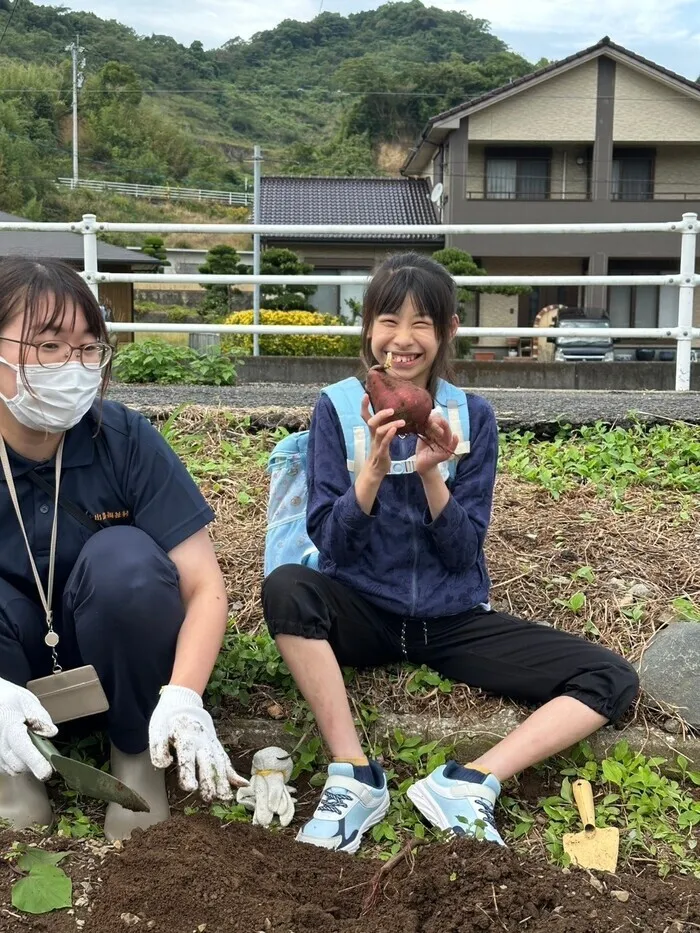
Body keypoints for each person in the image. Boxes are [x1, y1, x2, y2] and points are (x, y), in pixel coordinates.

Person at [262, 252, 639, 854]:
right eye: (389, 321)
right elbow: (331, 547)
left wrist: (435, 474)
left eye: (422, 324)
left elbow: (465, 555)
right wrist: (373, 476)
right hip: (362, 611)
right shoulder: (336, 409)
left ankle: (469, 783)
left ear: (448, 332)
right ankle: (353, 774)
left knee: (610, 677)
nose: (403, 340)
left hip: (452, 621)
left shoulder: (474, 417)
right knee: (288, 588)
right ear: (368, 329)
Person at [0, 257, 245, 841]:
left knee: (127, 563)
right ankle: (11, 772)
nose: (74, 365)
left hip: (110, 669)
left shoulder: (125, 439)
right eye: (49, 344)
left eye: (88, 347)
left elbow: (204, 585)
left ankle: (135, 755)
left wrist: (184, 695)